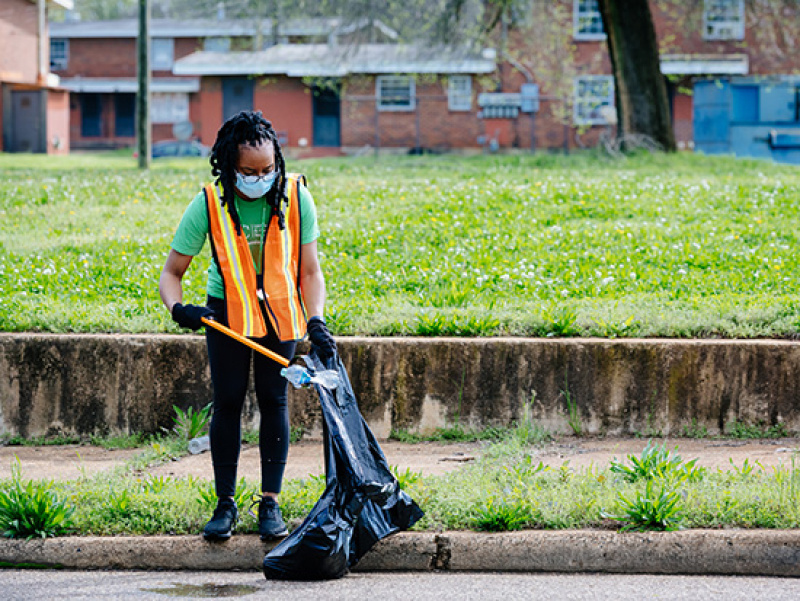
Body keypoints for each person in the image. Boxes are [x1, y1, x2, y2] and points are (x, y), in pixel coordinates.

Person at [159, 110, 337, 542]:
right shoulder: (208, 204)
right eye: (248, 172)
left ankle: (270, 503)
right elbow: (171, 273)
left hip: (280, 313)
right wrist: (180, 308)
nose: (259, 178)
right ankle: (225, 505)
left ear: (278, 160)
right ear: (227, 166)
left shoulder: (296, 198)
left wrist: (316, 319)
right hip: (227, 316)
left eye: (267, 169)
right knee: (228, 403)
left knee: (274, 402)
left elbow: (311, 271)